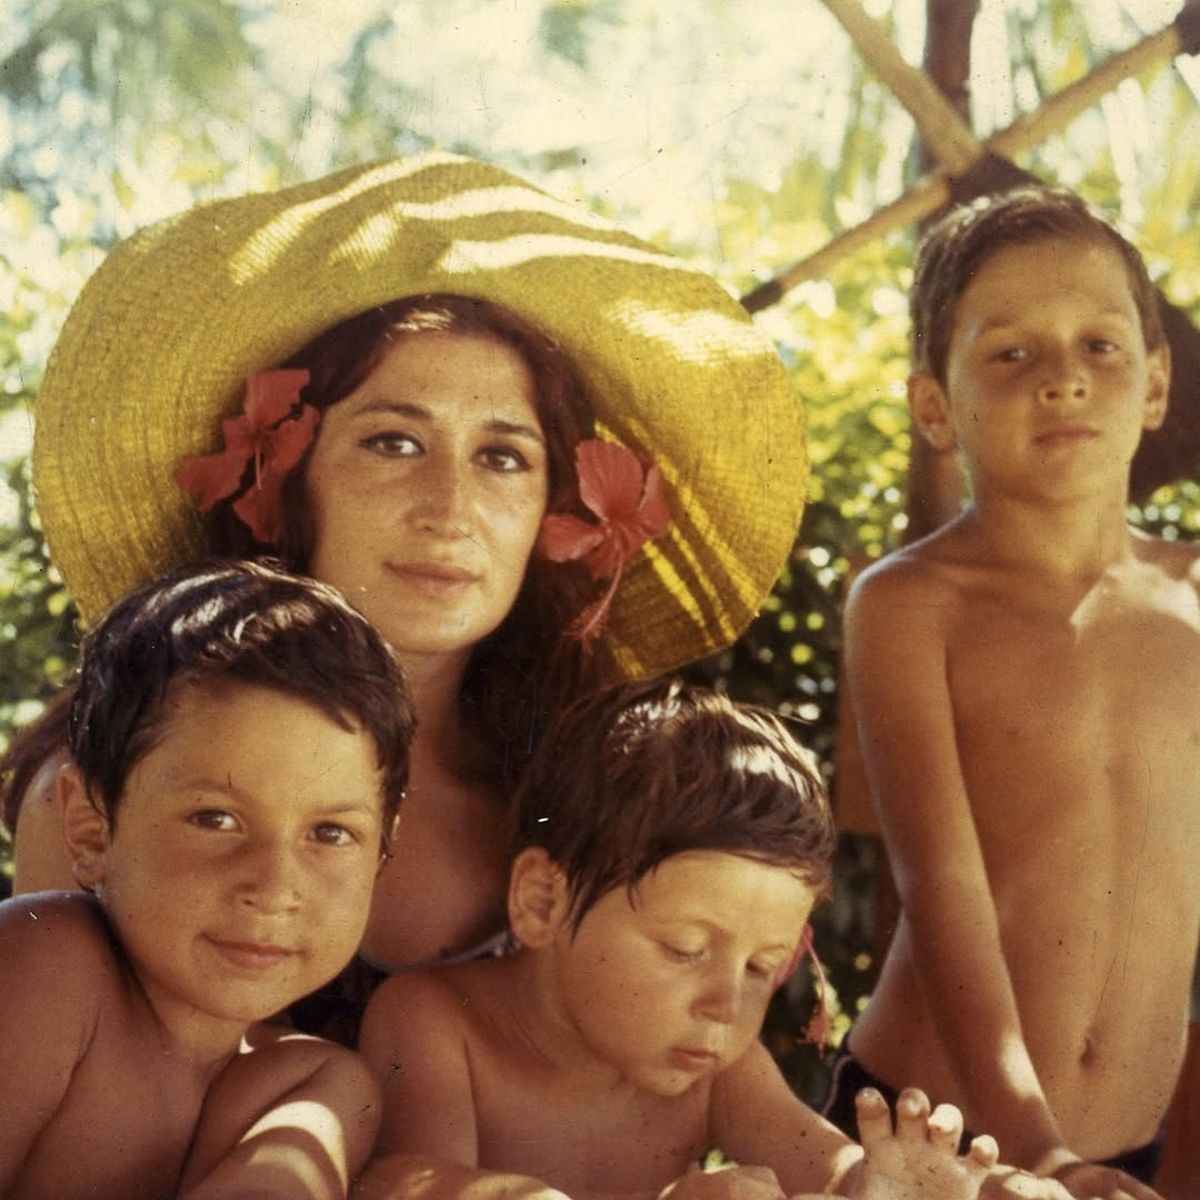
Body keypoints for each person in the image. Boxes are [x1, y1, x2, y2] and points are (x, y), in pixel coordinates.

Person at [6, 152, 808, 1012]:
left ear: (551, 514)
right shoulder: (107, 785)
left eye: (503, 458)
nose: (450, 508)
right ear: (285, 482)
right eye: (394, 443)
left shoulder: (588, 796)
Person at [827, 186, 1198, 1200]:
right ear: (934, 406)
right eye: (1012, 353)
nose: (1065, 380)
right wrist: (1039, 1153)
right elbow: (943, 890)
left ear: (1156, 382)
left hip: (1127, 1159)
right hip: (934, 1142)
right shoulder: (908, 606)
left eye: (1101, 346)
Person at [355, 678, 1006, 1200]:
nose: (725, 1005)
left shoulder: (715, 1070)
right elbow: (411, 1186)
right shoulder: (436, 1028)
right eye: (686, 950)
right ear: (542, 901)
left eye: (762, 968)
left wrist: (885, 1187)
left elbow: (830, 1169)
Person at [0, 558, 415, 1200]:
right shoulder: (46, 964)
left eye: (330, 834)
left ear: (382, 853)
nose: (275, 888)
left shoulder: (314, 1083)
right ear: (90, 829)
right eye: (215, 818)